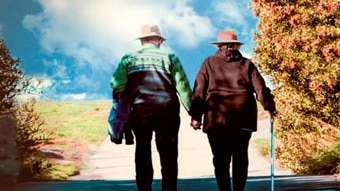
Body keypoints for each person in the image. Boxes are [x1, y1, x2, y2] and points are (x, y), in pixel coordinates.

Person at [189, 30, 277, 191]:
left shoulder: (208, 63)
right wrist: (270, 107)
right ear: (236, 45)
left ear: (219, 45)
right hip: (243, 116)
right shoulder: (247, 64)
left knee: (220, 159)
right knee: (240, 156)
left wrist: (196, 116)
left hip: (216, 118)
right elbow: (260, 90)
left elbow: (199, 91)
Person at [110, 24, 192, 191]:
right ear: (159, 40)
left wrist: (123, 96)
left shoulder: (128, 58)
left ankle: (144, 187)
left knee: (143, 149)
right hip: (167, 110)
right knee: (168, 152)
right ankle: (168, 188)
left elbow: (117, 84)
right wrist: (193, 111)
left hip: (140, 111)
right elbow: (182, 86)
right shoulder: (171, 57)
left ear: (141, 41)